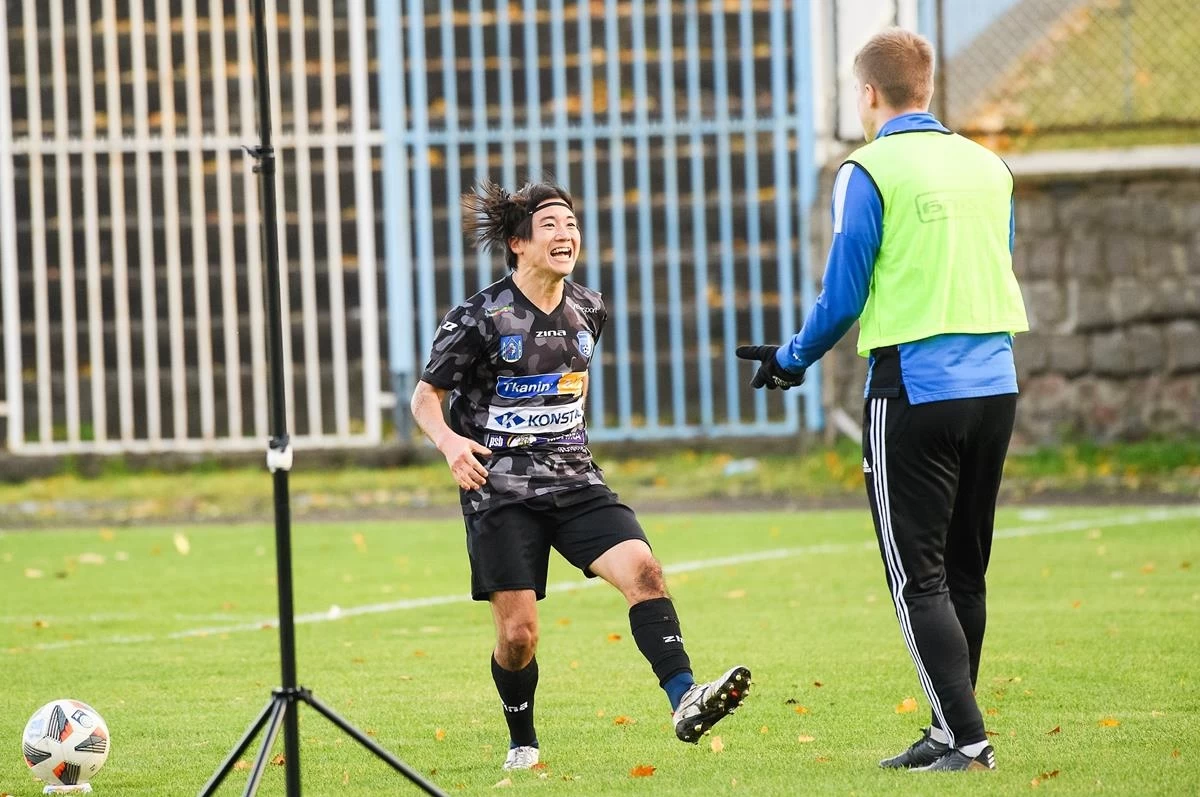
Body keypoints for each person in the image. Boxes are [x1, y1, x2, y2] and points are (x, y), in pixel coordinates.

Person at [736, 28, 1028, 772]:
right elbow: (996, 258)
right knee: (964, 571)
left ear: (867, 93)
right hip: (995, 385)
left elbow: (843, 294)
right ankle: (946, 729)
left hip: (914, 388)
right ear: (926, 87)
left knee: (917, 578)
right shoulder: (989, 166)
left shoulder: (866, 169)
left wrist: (790, 359)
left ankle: (968, 740)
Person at [411, 179, 750, 771]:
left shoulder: (589, 307)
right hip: (501, 491)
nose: (565, 234)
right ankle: (523, 743)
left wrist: (569, 438)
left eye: (570, 223)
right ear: (518, 243)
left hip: (575, 480)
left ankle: (684, 698)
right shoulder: (479, 317)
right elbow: (425, 397)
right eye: (550, 225)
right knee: (518, 637)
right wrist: (450, 443)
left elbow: (576, 378)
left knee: (644, 571)